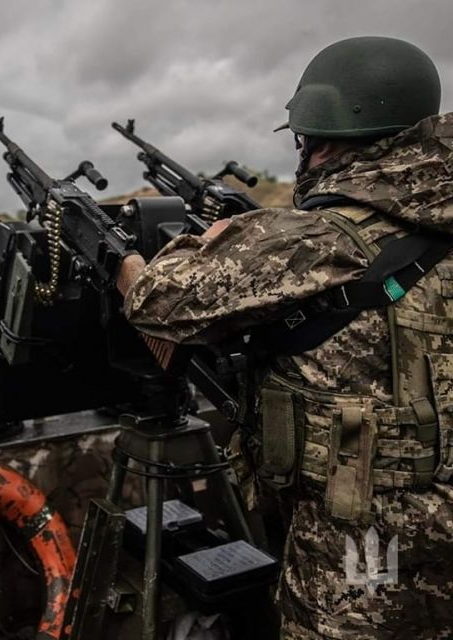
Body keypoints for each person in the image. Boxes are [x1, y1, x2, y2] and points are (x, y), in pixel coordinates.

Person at [116, 36, 453, 639]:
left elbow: (157, 300)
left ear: (318, 139)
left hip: (363, 542)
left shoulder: (317, 239)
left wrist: (159, 259)